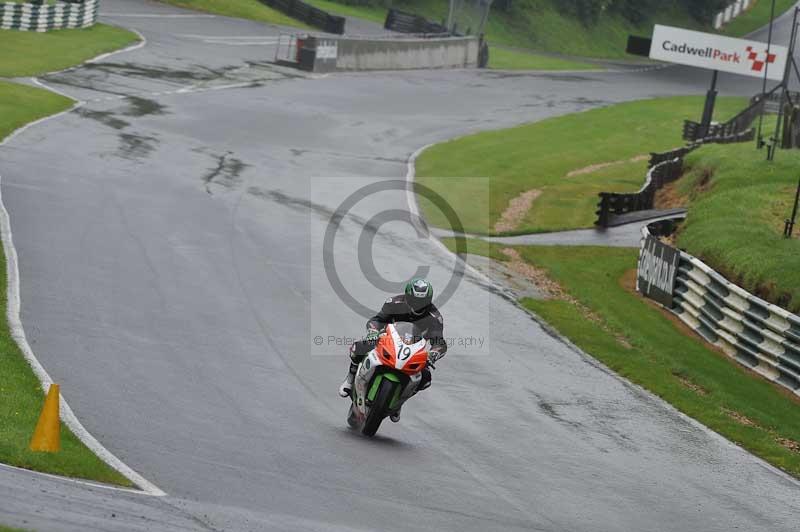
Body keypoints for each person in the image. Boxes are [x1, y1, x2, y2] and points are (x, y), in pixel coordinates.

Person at [338, 278, 447, 422]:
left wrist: (432, 354)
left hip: (413, 351)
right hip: (387, 339)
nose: (418, 305)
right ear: (408, 296)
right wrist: (373, 332)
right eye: (415, 300)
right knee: (359, 347)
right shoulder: (395, 303)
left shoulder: (434, 317)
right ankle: (350, 379)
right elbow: (377, 319)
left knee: (425, 378)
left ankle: (398, 402)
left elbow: (440, 342)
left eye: (422, 301)